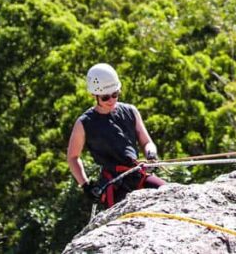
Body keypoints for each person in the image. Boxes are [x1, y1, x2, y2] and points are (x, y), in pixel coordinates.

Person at [67, 63, 165, 206]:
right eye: (105, 97)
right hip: (113, 184)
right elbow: (73, 157)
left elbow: (146, 142)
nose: (112, 100)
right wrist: (85, 185)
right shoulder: (84, 123)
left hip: (136, 174)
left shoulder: (130, 111)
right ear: (94, 95)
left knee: (168, 191)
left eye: (115, 94)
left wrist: (151, 153)